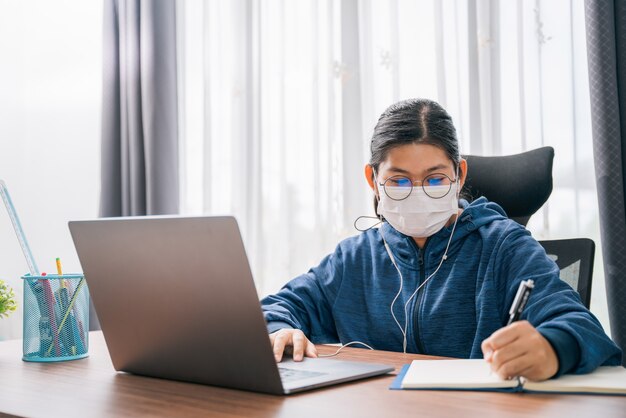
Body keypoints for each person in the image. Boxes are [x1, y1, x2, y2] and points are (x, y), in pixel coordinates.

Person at [261, 98, 622, 381]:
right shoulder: (354, 259)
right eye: (399, 181)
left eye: (434, 179)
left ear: (459, 173)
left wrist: (551, 348)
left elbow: (583, 328)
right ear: (373, 180)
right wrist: (280, 331)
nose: (417, 192)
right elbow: (271, 311)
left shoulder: (504, 246)